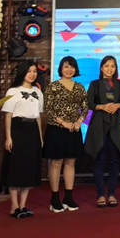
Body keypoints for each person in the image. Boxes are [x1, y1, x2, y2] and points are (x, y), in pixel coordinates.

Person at [42, 57, 88, 213]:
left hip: (74, 130)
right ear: (61, 68)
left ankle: (68, 197)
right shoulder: (53, 86)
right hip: (57, 129)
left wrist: (79, 121)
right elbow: (48, 108)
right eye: (66, 67)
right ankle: (54, 198)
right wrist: (64, 123)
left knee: (70, 162)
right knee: (56, 162)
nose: (69, 70)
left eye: (72, 67)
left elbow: (85, 107)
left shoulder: (80, 87)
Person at [2, 61, 44, 218]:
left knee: (29, 168)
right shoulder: (13, 91)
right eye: (29, 71)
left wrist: (40, 136)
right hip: (17, 130)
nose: (32, 74)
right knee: (16, 166)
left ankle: (23, 205)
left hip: (32, 130)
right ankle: (14, 206)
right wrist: (8, 137)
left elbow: (38, 116)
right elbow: (8, 115)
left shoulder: (38, 92)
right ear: (22, 73)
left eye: (34, 71)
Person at [84, 55, 120, 208]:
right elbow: (89, 103)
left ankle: (112, 194)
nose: (109, 69)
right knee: (100, 160)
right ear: (101, 68)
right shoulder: (94, 84)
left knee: (114, 161)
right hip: (99, 125)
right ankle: (100, 194)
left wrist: (118, 105)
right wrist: (102, 106)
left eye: (112, 66)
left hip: (116, 125)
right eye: (106, 66)